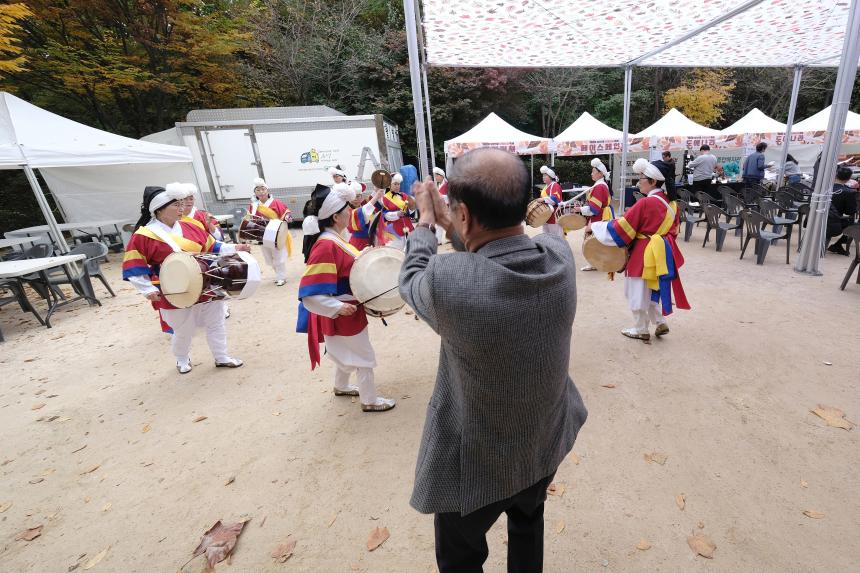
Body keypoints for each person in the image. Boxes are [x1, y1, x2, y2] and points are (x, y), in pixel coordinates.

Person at [399, 148, 588, 573]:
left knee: (460, 557)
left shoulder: (448, 282)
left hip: (474, 463)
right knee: (527, 524)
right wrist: (455, 223)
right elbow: (491, 250)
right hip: (542, 443)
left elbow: (411, 278)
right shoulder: (559, 258)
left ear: (463, 214)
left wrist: (427, 225)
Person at [123, 184, 249, 373]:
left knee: (216, 321)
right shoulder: (143, 235)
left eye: (182, 204)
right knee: (184, 329)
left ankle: (221, 356)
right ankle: (182, 358)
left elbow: (213, 246)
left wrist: (234, 248)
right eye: (176, 205)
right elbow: (134, 265)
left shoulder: (191, 226)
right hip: (174, 288)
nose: (182, 208)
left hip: (206, 281)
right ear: (159, 210)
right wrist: (147, 289)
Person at [297, 183, 395, 412]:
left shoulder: (335, 238)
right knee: (363, 356)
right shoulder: (325, 245)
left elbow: (345, 266)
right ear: (334, 217)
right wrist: (337, 307)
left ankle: (340, 385)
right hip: (343, 311)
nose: (351, 212)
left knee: (343, 350)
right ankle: (369, 400)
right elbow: (309, 294)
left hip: (344, 309)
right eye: (346, 210)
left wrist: (363, 255)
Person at [590, 158, 691, 342]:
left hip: (643, 253)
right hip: (660, 254)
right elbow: (674, 231)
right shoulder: (672, 205)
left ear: (653, 181)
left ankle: (640, 328)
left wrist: (597, 227)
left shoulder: (645, 203)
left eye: (642, 177)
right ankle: (660, 321)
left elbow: (622, 228)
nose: (639, 181)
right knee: (653, 288)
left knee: (636, 290)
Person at [249, 177, 292, 286]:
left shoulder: (276, 202)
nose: (261, 192)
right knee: (268, 256)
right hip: (262, 234)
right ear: (255, 192)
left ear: (267, 190)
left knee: (278, 255)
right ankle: (278, 274)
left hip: (275, 233)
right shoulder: (253, 206)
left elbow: (287, 214)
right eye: (258, 190)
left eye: (263, 189)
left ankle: (281, 276)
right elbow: (251, 219)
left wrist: (286, 218)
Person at [576, 158, 614, 271]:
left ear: (601, 173)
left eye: (593, 171)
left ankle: (595, 263)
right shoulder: (601, 185)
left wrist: (580, 209)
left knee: (592, 239)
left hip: (599, 216)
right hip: (603, 214)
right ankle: (598, 262)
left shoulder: (599, 186)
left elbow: (594, 209)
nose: (591, 173)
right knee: (598, 239)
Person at [376, 172, 416, 249]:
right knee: (396, 251)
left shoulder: (404, 195)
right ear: (389, 185)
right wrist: (397, 214)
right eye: (395, 184)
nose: (397, 186)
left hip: (408, 227)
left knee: (411, 250)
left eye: (399, 184)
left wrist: (412, 207)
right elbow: (385, 215)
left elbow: (409, 212)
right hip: (394, 230)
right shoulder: (385, 198)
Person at [826, 166, 859, 256]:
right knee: (854, 224)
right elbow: (850, 211)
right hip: (834, 221)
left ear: (836, 175)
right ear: (849, 178)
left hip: (819, 218)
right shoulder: (849, 192)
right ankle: (838, 244)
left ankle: (838, 245)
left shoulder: (825, 187)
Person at [347, 181, 384, 251]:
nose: (355, 199)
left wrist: (376, 189)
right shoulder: (348, 211)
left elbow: (371, 201)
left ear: (361, 197)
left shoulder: (363, 204)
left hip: (370, 241)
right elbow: (365, 210)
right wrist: (376, 196)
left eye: (358, 196)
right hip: (357, 243)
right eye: (353, 196)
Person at [539, 165, 564, 236]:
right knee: (546, 236)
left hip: (554, 215)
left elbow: (555, 199)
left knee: (556, 236)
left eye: (545, 175)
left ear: (550, 176)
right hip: (546, 215)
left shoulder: (555, 185)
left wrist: (543, 199)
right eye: (543, 176)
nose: (543, 177)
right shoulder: (545, 187)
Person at [433, 167, 449, 244]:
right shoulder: (440, 185)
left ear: (442, 176)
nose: (435, 178)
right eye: (435, 176)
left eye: (436, 176)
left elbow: (449, 197)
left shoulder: (447, 184)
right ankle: (438, 240)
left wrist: (439, 196)